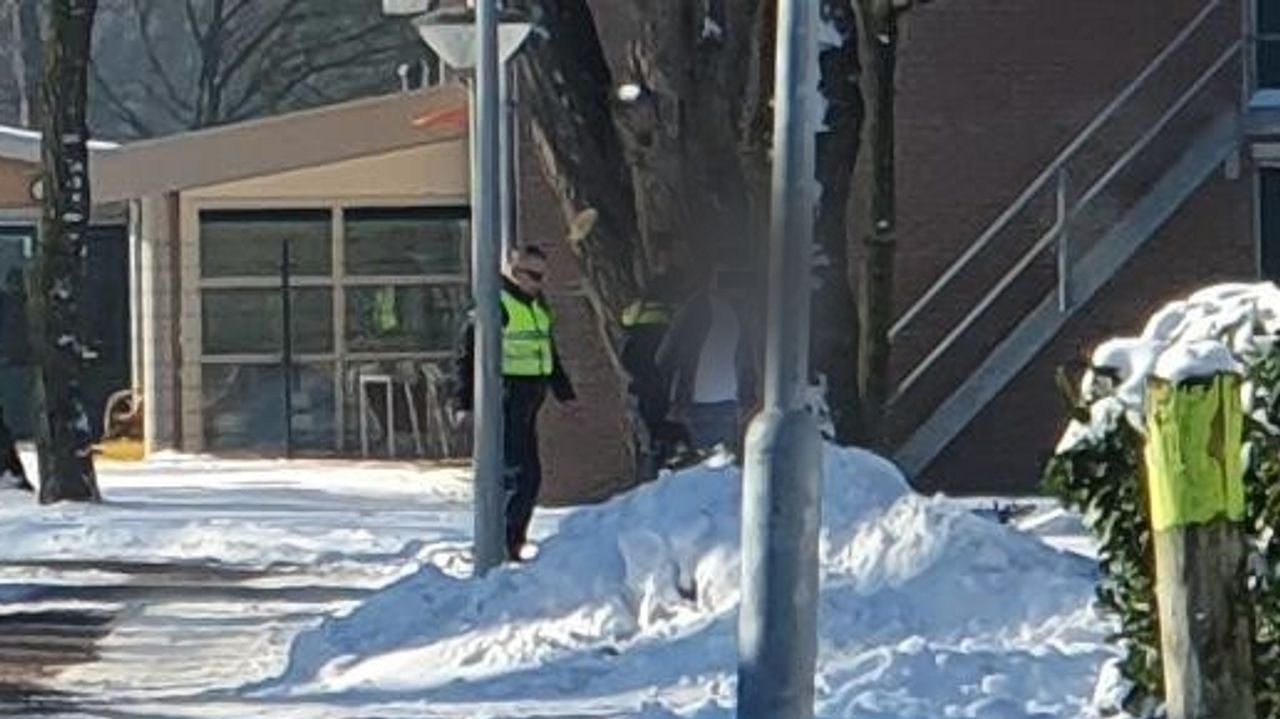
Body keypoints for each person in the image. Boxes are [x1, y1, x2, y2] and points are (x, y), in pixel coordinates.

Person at [453, 245, 575, 562]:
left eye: (543, 276)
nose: (540, 282)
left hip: (531, 397)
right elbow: (467, 356)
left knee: (528, 475)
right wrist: (463, 403)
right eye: (533, 275)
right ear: (514, 272)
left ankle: (511, 541)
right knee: (520, 476)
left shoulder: (535, 305)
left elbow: (547, 350)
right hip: (507, 396)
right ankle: (504, 544)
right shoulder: (498, 305)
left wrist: (564, 391)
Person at [657, 266, 757, 455]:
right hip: (715, 403)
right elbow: (746, 361)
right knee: (713, 465)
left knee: (706, 466)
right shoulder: (726, 313)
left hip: (709, 402)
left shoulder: (701, 309)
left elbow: (669, 353)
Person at [620, 245, 688, 474]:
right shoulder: (655, 293)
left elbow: (628, 322)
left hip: (649, 377)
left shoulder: (661, 291)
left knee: (652, 425)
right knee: (651, 424)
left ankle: (670, 451)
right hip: (648, 376)